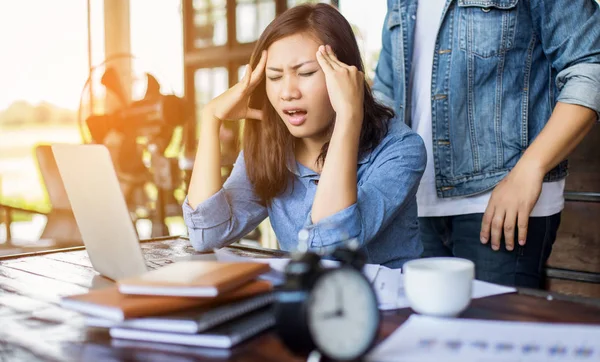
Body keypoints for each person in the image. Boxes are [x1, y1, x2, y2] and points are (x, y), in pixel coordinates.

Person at [373, 0, 600, 286]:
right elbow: (386, 92)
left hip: (503, 202)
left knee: (497, 328)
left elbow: (590, 67)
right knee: (429, 330)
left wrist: (531, 167)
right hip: (414, 206)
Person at [182, 4, 427, 268]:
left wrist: (349, 115)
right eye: (274, 77)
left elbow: (330, 245)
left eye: (306, 73)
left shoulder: (401, 149)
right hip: (309, 304)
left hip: (386, 304)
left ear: (346, 76)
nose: (288, 92)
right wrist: (210, 119)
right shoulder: (270, 149)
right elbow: (205, 235)